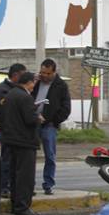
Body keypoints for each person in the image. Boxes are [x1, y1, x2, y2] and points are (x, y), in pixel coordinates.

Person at [1, 71, 42, 215]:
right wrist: (38, 117)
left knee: (14, 175)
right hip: (25, 141)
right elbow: (30, 119)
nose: (33, 87)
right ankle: (23, 206)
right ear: (29, 82)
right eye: (33, 84)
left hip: (11, 140)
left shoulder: (11, 94)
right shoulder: (25, 97)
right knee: (25, 176)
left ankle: (16, 204)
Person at [32, 58, 71, 195]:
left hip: (49, 125)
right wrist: (34, 81)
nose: (45, 76)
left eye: (48, 73)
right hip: (32, 123)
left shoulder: (61, 86)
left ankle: (48, 184)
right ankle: (29, 184)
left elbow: (66, 108)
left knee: (50, 155)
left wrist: (53, 121)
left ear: (54, 72)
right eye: (42, 73)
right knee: (30, 155)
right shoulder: (35, 82)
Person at [0, 63, 27, 198]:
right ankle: (3, 187)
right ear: (16, 75)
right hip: (7, 131)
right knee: (7, 160)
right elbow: (6, 111)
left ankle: (15, 187)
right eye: (23, 75)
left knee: (15, 162)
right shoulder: (3, 90)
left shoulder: (15, 89)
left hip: (16, 132)